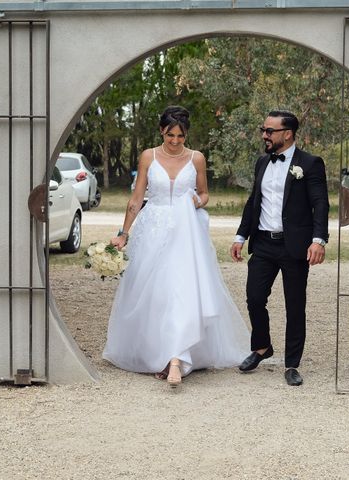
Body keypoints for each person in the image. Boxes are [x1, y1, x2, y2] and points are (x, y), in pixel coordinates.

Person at [103, 106, 250, 388]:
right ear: (161, 131)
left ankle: (176, 359)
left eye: (180, 136)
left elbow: (205, 194)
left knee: (181, 291)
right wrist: (123, 233)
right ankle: (159, 352)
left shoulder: (196, 159)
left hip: (186, 234)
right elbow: (136, 199)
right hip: (153, 231)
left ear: (186, 135)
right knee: (156, 295)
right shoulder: (149, 156)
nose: (175, 141)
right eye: (170, 135)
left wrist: (192, 202)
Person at [230, 110, 329, 386]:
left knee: (295, 305)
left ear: (288, 134)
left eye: (269, 131)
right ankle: (262, 347)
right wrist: (241, 236)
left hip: (294, 245)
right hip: (262, 243)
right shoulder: (262, 162)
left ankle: (292, 364)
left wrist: (318, 240)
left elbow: (320, 203)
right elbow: (253, 201)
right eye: (264, 129)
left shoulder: (309, 164)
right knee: (254, 298)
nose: (264, 135)